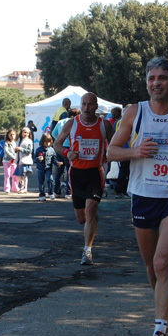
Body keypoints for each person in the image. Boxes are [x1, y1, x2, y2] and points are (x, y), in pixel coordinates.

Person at [108, 57, 168, 336]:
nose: (156, 83)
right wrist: (135, 152)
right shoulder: (135, 113)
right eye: (151, 78)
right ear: (146, 83)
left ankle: (160, 328)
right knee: (150, 267)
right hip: (143, 195)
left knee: (162, 262)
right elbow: (111, 152)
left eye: (162, 78)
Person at [54, 92, 113, 266]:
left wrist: (111, 155)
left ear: (96, 106)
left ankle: (87, 251)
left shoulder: (105, 125)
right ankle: (91, 221)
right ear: (80, 106)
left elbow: (114, 144)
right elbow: (56, 144)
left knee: (91, 209)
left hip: (95, 172)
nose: (87, 108)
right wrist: (67, 152)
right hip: (77, 174)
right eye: (84, 104)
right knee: (82, 218)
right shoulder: (72, 124)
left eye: (90, 104)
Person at [51, 108, 81, 199]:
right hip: (69, 148)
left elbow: (53, 133)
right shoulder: (75, 122)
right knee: (70, 170)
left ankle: (56, 191)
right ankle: (69, 191)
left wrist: (60, 140)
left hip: (59, 148)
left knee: (60, 170)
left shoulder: (60, 122)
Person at [33, 133, 61, 201]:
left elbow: (54, 159)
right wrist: (38, 159)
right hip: (40, 168)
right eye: (46, 142)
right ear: (42, 142)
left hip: (49, 168)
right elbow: (34, 159)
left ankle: (50, 193)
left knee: (50, 179)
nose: (47, 143)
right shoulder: (38, 150)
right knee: (41, 182)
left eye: (49, 142)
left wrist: (57, 163)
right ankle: (42, 194)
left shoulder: (51, 150)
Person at [15, 126, 34, 194]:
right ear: (21, 132)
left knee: (24, 175)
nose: (26, 134)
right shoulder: (19, 140)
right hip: (19, 160)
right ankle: (22, 185)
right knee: (16, 174)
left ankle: (25, 188)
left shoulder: (29, 141)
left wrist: (20, 149)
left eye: (27, 133)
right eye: (24, 132)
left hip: (25, 160)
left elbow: (29, 151)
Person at [2, 129, 19, 193]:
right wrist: (13, 156)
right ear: (8, 135)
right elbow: (6, 151)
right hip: (7, 160)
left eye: (13, 134)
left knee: (14, 175)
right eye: (10, 135)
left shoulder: (16, 143)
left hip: (14, 161)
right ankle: (7, 188)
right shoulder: (6, 143)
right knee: (7, 175)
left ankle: (15, 187)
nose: (12, 136)